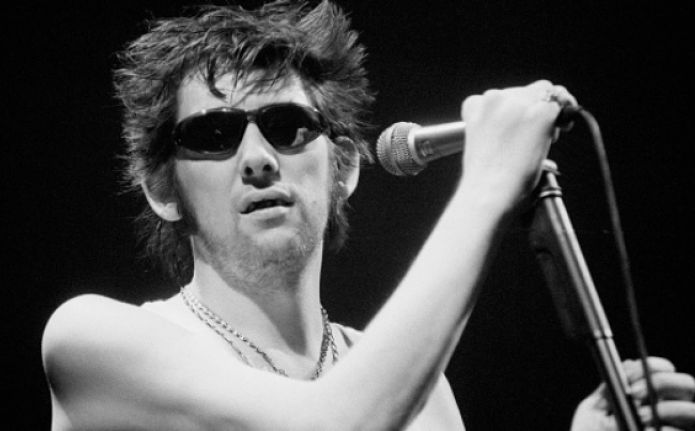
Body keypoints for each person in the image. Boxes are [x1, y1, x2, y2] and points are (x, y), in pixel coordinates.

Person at [41, 1, 695, 430]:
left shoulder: (418, 389)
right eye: (214, 134)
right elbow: (335, 425)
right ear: (162, 189)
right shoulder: (93, 341)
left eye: (287, 125)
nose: (257, 158)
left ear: (344, 168)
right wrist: (487, 183)